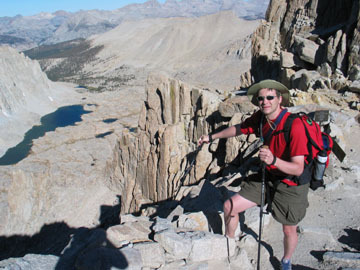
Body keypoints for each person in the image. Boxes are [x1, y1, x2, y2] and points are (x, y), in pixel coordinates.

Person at [198, 79, 310, 270]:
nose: (265, 101)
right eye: (261, 98)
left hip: (290, 182)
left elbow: (298, 168)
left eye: (269, 97)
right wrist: (212, 137)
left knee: (288, 228)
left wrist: (273, 160)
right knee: (229, 206)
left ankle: (286, 261)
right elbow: (239, 129)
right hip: (268, 176)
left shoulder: (295, 125)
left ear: (279, 99)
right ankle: (229, 244)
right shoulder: (261, 118)